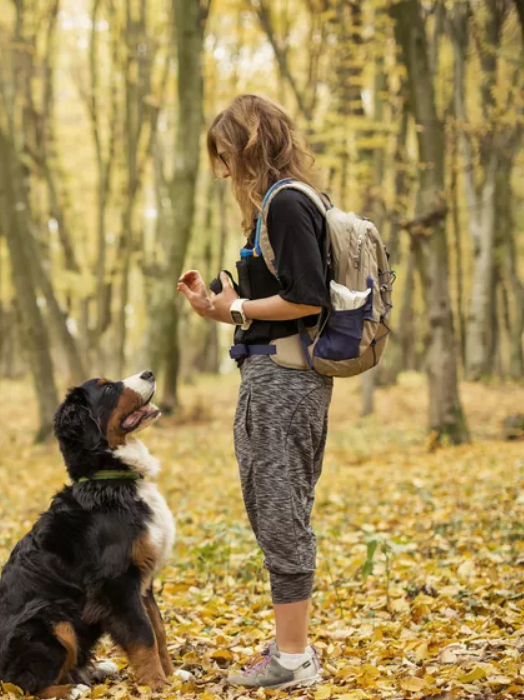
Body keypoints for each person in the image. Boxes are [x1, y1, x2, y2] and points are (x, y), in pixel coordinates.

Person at [176, 94, 333, 691]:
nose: (222, 171)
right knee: (276, 511)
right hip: (271, 375)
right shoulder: (274, 208)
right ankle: (290, 648)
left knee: (280, 515)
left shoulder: (287, 204)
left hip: (285, 383)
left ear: (250, 147)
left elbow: (308, 297)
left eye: (226, 156)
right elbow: (267, 308)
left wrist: (237, 306)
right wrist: (218, 308)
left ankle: (293, 659)